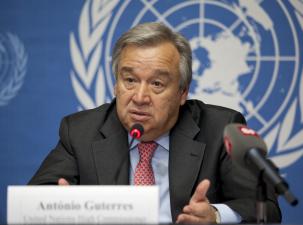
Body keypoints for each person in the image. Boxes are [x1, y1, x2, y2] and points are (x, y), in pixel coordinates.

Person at [29, 22, 281, 224]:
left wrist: (215, 216)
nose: (139, 98)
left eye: (157, 84)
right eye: (129, 80)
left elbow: (265, 210)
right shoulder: (81, 131)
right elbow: (34, 201)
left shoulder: (220, 129)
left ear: (183, 93)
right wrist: (61, 207)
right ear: (115, 84)